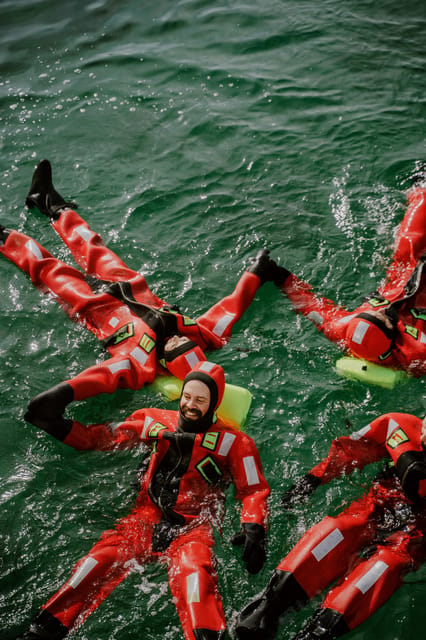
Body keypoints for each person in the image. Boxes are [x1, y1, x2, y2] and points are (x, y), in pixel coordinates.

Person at [0, 159, 282, 439]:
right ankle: (48, 200)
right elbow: (229, 309)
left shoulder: (136, 365)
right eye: (183, 342)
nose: (175, 340)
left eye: (173, 350)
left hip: (92, 306)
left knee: (47, 269)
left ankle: (4, 237)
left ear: (167, 365)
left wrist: (61, 395)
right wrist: (257, 273)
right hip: (128, 284)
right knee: (90, 243)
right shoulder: (203, 336)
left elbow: (101, 377)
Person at [15, 360, 270, 640]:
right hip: (144, 518)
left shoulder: (236, 444)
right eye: (186, 396)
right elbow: (101, 438)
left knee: (195, 575)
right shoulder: (153, 420)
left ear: (214, 403)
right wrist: (56, 423)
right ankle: (40, 633)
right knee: (97, 562)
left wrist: (254, 527)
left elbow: (253, 490)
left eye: (200, 400)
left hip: (193, 527)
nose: (190, 405)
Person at [234, 411, 426, 640]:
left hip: (415, 534)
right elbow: (351, 450)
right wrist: (315, 477)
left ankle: (315, 634)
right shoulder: (397, 425)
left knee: (384, 566)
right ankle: (268, 608)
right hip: (376, 507)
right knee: (337, 531)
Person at [271, 172, 426, 377]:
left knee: (409, 239)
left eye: (372, 313)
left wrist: (279, 275)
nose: (380, 310)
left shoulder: (343, 328)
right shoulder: (417, 355)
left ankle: (420, 186)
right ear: (391, 338)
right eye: (382, 318)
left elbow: (311, 307)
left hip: (402, 274)